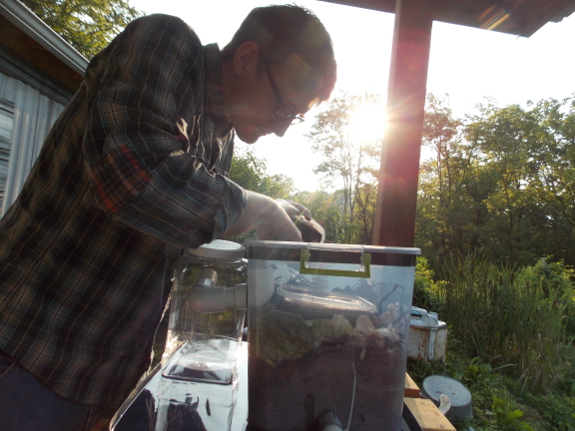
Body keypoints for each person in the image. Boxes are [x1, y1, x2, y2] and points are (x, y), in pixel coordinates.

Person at [0, 4, 336, 430]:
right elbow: (133, 174)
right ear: (247, 58)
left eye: (295, 116)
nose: (283, 129)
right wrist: (262, 210)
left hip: (99, 382)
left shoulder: (218, 138)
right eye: (284, 109)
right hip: (27, 352)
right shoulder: (165, 44)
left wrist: (279, 214)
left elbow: (190, 214)